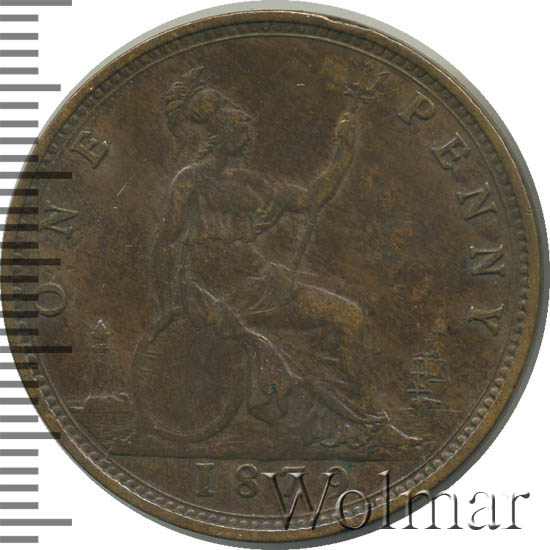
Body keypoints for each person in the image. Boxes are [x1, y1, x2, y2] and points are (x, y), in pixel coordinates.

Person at [151, 67, 418, 450]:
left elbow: (311, 198)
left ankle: (369, 420)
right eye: (240, 128)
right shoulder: (189, 181)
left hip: (257, 285)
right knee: (333, 326)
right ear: (221, 134)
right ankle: (360, 423)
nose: (248, 134)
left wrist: (344, 152)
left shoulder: (250, 183)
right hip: (217, 290)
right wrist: (169, 307)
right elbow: (165, 243)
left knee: (350, 317)